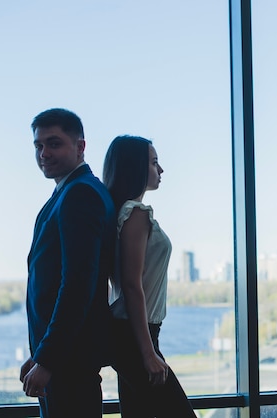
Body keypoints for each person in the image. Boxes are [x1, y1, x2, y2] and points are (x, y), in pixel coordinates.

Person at [20, 108, 116, 417]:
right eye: (38, 146)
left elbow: (77, 285)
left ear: (80, 146)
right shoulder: (67, 192)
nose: (44, 153)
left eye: (54, 143)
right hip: (64, 358)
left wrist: (48, 358)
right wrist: (40, 354)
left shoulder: (80, 194)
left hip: (70, 361)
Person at [103, 135, 197, 417]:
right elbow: (131, 285)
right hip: (134, 335)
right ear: (135, 168)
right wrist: (147, 353)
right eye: (155, 163)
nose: (161, 170)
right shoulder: (136, 213)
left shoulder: (119, 213)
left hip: (131, 332)